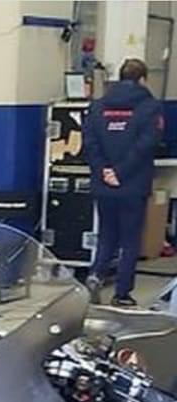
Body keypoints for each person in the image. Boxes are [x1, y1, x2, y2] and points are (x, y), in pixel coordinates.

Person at [83, 57, 163, 309]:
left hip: (103, 184)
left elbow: (90, 144)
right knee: (130, 240)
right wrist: (121, 172)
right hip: (133, 185)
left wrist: (105, 171)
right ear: (143, 79)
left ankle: (95, 276)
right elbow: (146, 144)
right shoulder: (150, 107)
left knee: (107, 235)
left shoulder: (97, 107)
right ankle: (122, 293)